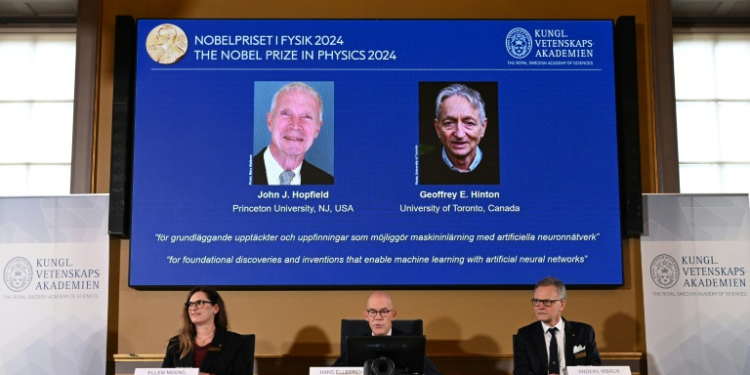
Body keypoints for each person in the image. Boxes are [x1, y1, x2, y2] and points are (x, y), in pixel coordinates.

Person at [333, 291, 442, 375]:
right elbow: (332, 372)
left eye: (384, 311)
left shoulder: (410, 343)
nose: (378, 317)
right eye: (372, 312)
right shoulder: (355, 346)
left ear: (393, 315)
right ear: (366, 316)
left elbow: (433, 374)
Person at [513, 277, 601, 375]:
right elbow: (521, 371)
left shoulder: (584, 332)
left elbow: (595, 367)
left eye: (547, 301)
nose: (540, 306)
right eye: (537, 301)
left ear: (562, 304)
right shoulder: (525, 335)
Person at [253, 82, 334, 185]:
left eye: (306, 117)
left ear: (317, 129)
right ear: (270, 121)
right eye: (286, 114)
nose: (295, 125)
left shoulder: (327, 183)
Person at [420, 83, 499, 185]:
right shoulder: (421, 169)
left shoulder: (501, 167)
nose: (460, 134)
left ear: (483, 127)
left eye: (469, 123)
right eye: (449, 123)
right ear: (437, 128)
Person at [162, 286, 253, 375]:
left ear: (215, 308)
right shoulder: (176, 344)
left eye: (200, 303)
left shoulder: (235, 342)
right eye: (190, 304)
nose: (193, 308)